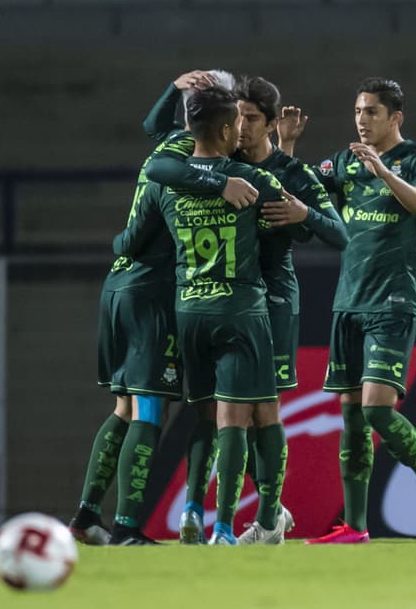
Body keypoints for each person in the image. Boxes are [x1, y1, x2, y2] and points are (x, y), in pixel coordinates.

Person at [142, 75, 348, 544]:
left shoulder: (288, 173)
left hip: (272, 303)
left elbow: (339, 234)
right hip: (237, 302)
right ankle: (226, 513)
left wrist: (304, 215)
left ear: (270, 125)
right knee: (222, 414)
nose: (242, 126)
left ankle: (267, 515)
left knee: (259, 412)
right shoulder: (226, 167)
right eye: (238, 117)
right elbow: (160, 159)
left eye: (251, 118)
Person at [68, 71, 258, 547]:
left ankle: (88, 515)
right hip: (152, 292)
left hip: (121, 285)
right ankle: (127, 527)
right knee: (151, 408)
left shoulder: (172, 144)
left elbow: (153, 132)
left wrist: (173, 90)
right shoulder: (188, 162)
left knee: (125, 407)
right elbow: (160, 177)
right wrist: (221, 183)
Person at [279, 77, 416, 544]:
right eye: (358, 111)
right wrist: (287, 145)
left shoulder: (415, 159)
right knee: (352, 415)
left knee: (377, 411)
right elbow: (299, 192)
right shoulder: (345, 162)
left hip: (393, 300)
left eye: (372, 111)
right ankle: (355, 526)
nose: (362, 119)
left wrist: (384, 173)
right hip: (349, 301)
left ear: (396, 117)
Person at [137, 85, 289, 545]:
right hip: (240, 311)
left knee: (204, 416)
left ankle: (190, 510)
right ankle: (224, 527)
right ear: (226, 130)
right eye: (238, 122)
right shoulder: (249, 179)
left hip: (189, 311)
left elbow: (134, 234)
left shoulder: (170, 180)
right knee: (241, 420)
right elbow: (302, 233)